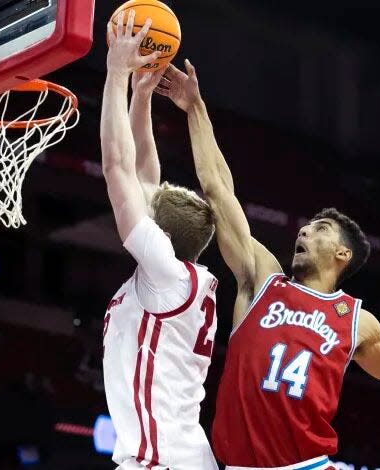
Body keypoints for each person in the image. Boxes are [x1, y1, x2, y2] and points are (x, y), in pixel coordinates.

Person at [155, 60, 380, 469]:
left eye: (320, 228)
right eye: (305, 228)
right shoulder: (261, 280)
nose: (304, 233)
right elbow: (218, 190)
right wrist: (195, 108)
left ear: (343, 254)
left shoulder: (355, 322)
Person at [101, 12, 219, 469]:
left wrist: (114, 73)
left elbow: (118, 168)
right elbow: (142, 175)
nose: (141, 194)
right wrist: (142, 95)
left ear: (161, 235)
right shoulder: (172, 278)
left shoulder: (166, 277)